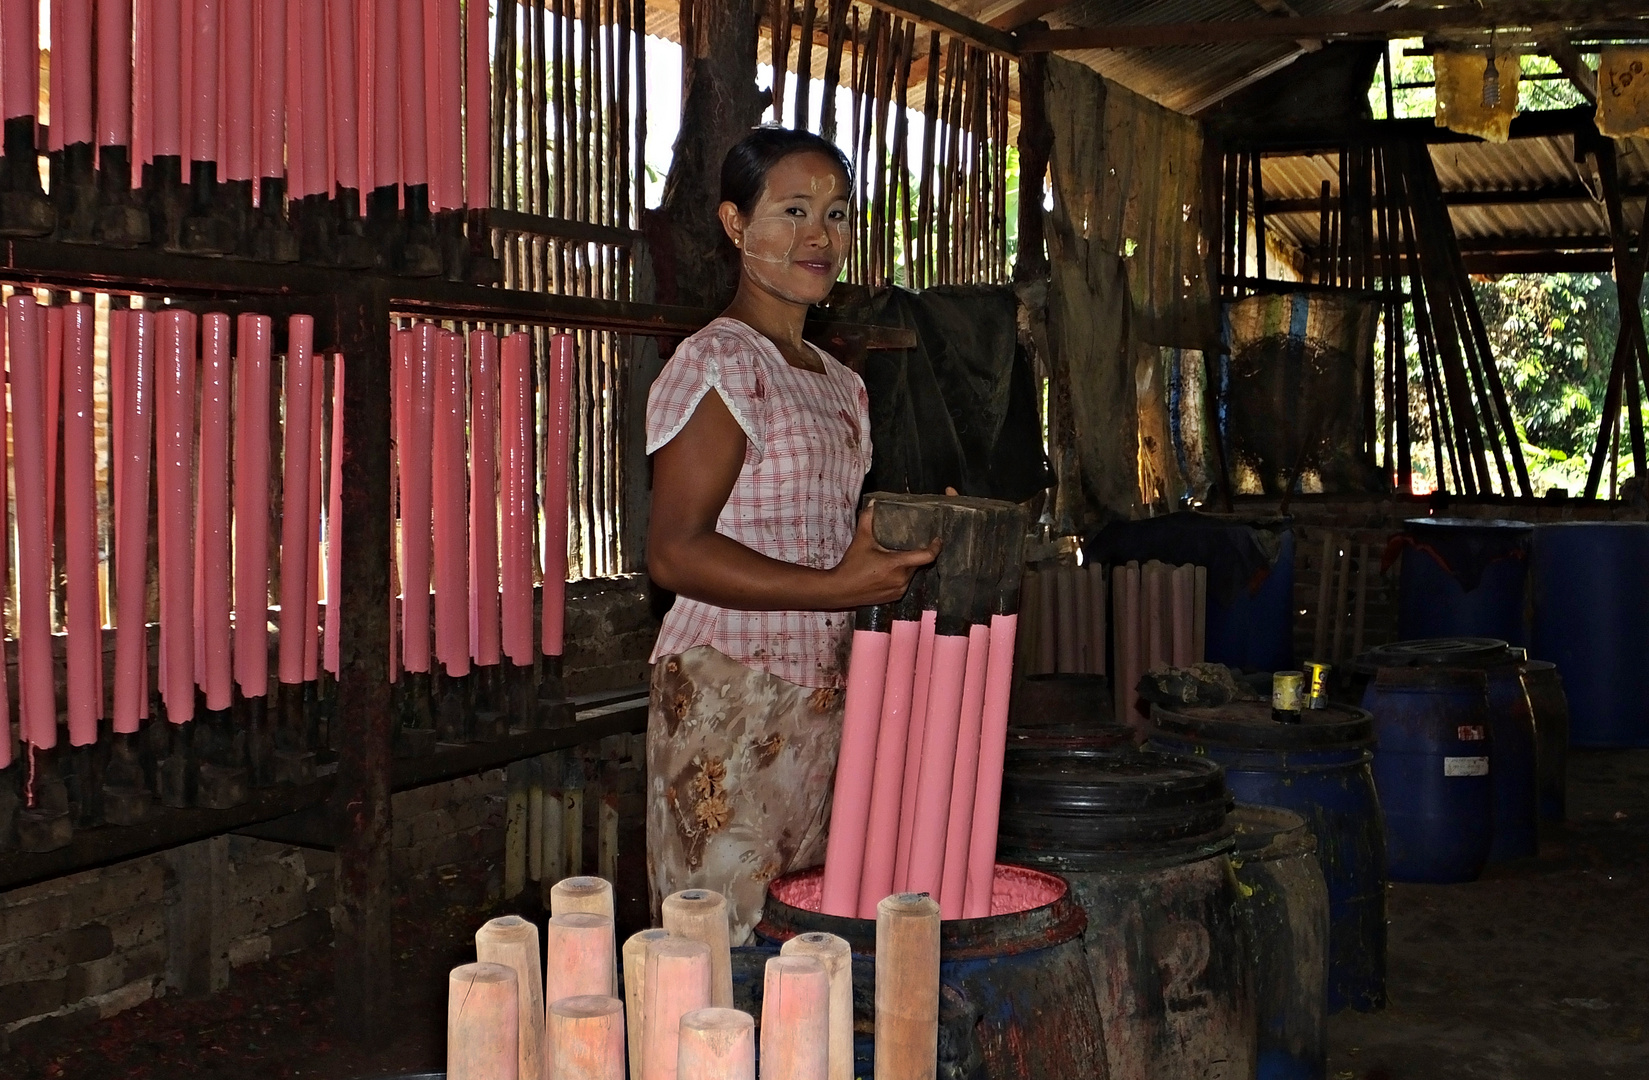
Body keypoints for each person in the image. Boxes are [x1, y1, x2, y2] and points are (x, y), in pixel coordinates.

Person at [644, 127, 937, 941]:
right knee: (720, 949)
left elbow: (820, 531)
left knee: (807, 941)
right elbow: (674, 551)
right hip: (727, 692)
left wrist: (898, 534)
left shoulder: (839, 383)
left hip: (820, 696)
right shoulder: (718, 363)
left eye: (837, 215)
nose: (820, 236)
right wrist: (835, 589)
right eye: (794, 211)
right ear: (736, 226)